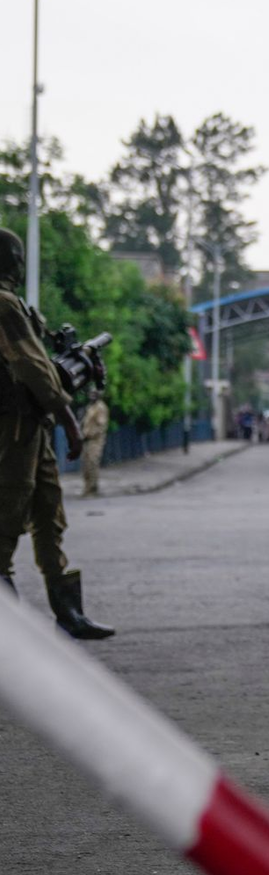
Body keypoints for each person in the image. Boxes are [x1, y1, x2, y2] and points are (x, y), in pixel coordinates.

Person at [0, 228, 114, 639]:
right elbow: (32, 368)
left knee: (49, 514)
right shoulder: (3, 304)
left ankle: (69, 614)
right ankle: (11, 637)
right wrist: (67, 417)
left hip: (32, 426)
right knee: (7, 515)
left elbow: (43, 366)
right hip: (12, 430)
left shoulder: (15, 306)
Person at [80, 387, 109, 497]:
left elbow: (101, 426)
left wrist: (90, 434)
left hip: (95, 440)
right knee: (86, 464)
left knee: (92, 463)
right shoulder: (90, 407)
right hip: (87, 440)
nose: (91, 395)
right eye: (90, 393)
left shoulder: (100, 407)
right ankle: (87, 488)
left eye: (94, 393)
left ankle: (93, 489)